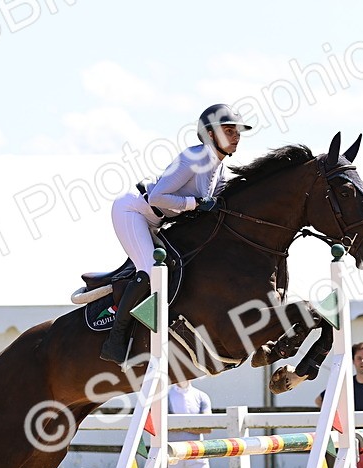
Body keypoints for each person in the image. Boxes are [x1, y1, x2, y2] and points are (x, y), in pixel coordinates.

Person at [100, 104, 252, 363]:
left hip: (157, 221)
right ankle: (115, 339)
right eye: (229, 130)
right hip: (134, 211)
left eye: (237, 131)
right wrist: (193, 203)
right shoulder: (194, 158)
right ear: (211, 135)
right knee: (151, 271)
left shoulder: (220, 169)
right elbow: (159, 195)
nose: (236, 136)